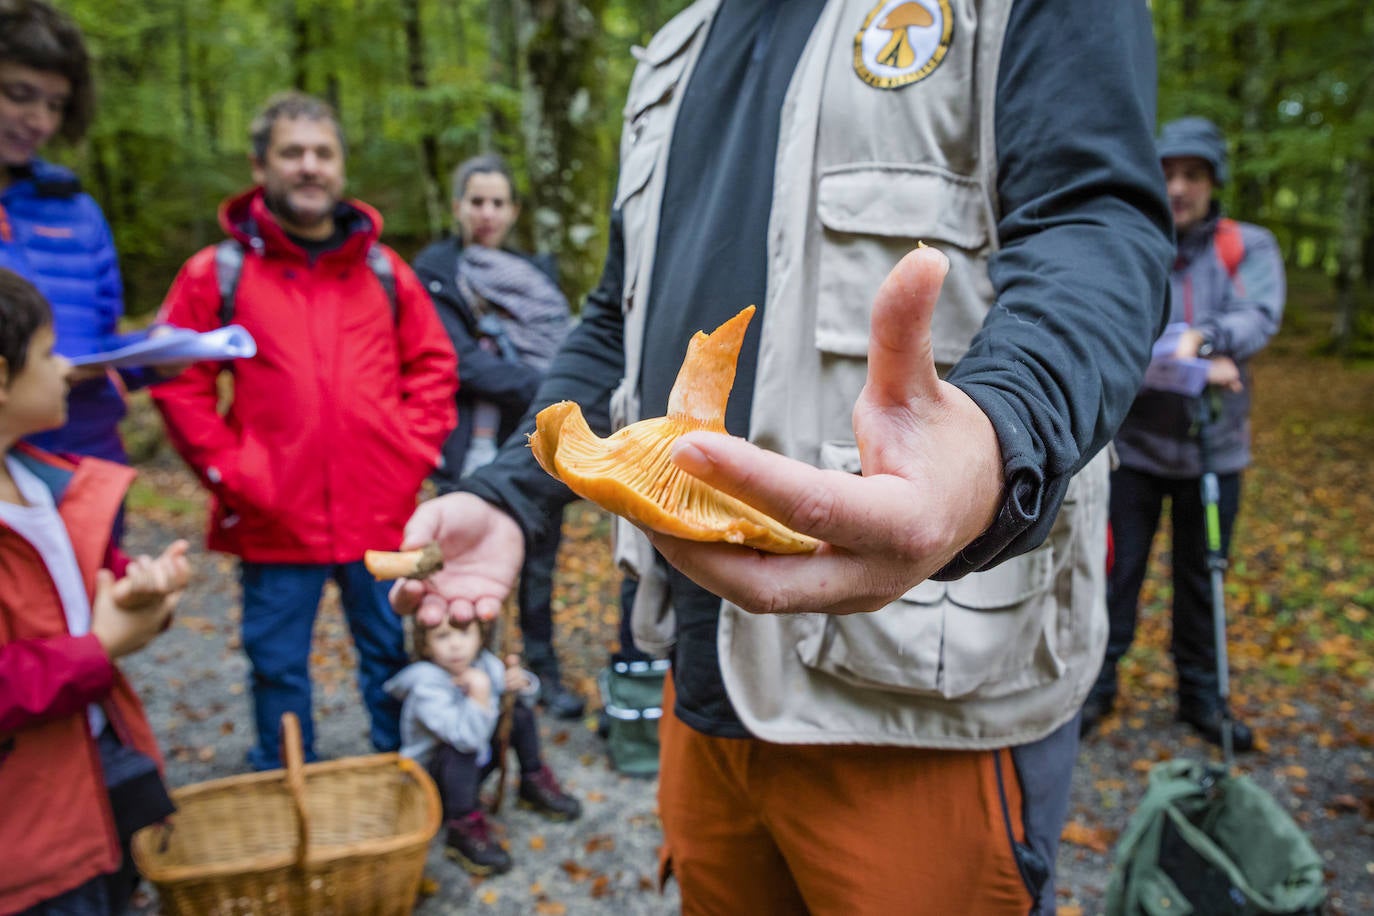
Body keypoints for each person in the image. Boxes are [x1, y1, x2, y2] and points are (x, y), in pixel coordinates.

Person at [393, 3, 1174, 913]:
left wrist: (1007, 430)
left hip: (921, 690)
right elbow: (616, 314)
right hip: (700, 675)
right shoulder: (676, 47)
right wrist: (509, 493)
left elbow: (1097, 229)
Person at [150, 91, 457, 772]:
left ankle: (398, 788)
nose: (310, 166)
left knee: (391, 657)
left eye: (323, 153)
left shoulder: (384, 271)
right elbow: (177, 378)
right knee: (278, 667)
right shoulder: (218, 272)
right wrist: (236, 473)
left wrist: (406, 457)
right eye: (293, 153)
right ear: (261, 166)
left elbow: (434, 366)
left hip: (381, 515)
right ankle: (289, 797)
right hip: (273, 517)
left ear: (341, 167)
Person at [1081, 117, 1285, 750]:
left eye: (1193, 174)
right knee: (1117, 573)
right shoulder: (1132, 245)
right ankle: (1095, 688)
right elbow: (1104, 328)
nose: (1177, 187)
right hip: (1133, 451)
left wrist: (1208, 339)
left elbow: (1259, 315)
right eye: (1167, 172)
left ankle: (1202, 697)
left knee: (1203, 578)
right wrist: (1184, 360)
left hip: (1213, 451)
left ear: (1213, 181)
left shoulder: (1246, 246)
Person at [0, 268, 191, 914]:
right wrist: (99, 648)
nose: (65, 368)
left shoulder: (48, 489)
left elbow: (88, 589)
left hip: (92, 791)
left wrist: (139, 594)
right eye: (48, 353)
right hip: (27, 848)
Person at [413, 155, 584, 720]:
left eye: (497, 202)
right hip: (470, 448)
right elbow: (459, 361)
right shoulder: (436, 272)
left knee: (538, 567)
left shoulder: (535, 277)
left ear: (512, 211)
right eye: (476, 201)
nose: (486, 212)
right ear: (458, 206)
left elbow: (566, 344)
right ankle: (461, 682)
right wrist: (548, 385)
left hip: (538, 449)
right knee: (459, 569)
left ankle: (537, 674)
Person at [0, 0, 177, 488]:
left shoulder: (76, 211)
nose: (39, 120)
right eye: (19, 94)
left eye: (55, 105)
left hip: (87, 466)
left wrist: (151, 354)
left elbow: (100, 343)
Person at [384, 616, 581, 876]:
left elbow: (522, 700)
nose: (456, 645)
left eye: (464, 633)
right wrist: (479, 692)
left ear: (480, 637)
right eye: (442, 636)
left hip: (474, 764)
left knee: (517, 712)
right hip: (435, 783)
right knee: (459, 749)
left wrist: (521, 684)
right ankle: (462, 825)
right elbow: (466, 738)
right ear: (426, 645)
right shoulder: (426, 685)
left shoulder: (484, 663)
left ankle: (532, 780)